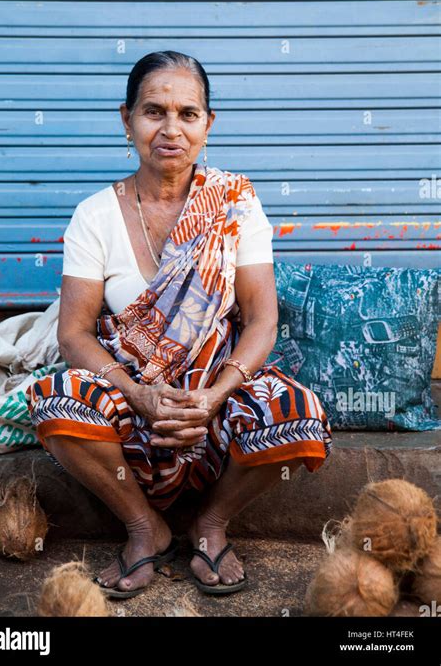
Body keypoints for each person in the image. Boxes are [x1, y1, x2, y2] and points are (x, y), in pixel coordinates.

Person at [25, 50, 332, 599]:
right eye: (153, 111)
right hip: (131, 401)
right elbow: (73, 333)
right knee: (54, 401)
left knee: (299, 415)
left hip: (215, 398)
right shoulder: (95, 215)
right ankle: (145, 528)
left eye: (188, 114)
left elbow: (263, 319)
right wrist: (139, 394)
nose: (171, 128)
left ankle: (210, 525)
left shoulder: (234, 205)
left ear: (208, 125)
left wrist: (213, 396)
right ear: (127, 120)